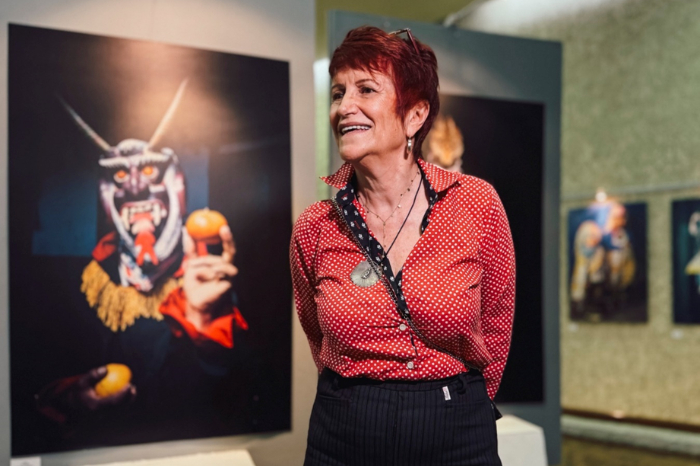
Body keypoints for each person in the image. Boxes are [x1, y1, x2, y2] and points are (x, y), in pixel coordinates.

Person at [290, 26, 516, 465]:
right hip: (344, 433)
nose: (344, 107)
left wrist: (462, 404)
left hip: (457, 433)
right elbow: (316, 333)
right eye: (338, 93)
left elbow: (496, 322)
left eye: (366, 89)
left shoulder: (475, 203)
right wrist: (359, 400)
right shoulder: (316, 225)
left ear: (414, 115)